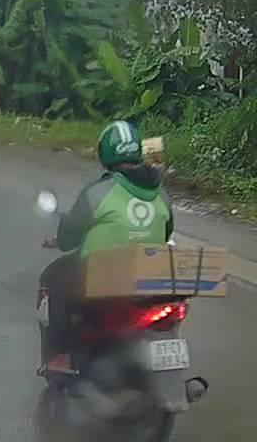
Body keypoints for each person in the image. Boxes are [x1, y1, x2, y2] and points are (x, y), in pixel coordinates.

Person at [38, 120, 174, 374]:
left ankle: (60, 356)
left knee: (52, 278)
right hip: (150, 280)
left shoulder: (98, 192)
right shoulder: (161, 193)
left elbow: (69, 236)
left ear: (105, 153)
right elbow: (167, 232)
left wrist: (61, 240)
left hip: (102, 277)